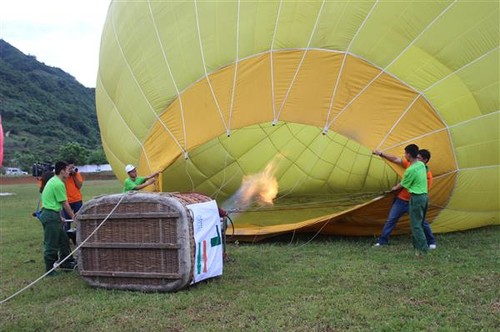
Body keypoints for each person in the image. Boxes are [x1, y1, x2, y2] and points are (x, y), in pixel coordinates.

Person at [373, 148, 436, 249]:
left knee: (421, 223)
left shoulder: (425, 173)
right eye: (416, 156)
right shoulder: (413, 164)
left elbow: (405, 185)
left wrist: (393, 189)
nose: (416, 159)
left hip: (415, 201)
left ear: (425, 160)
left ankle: (431, 242)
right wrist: (381, 154)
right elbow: (396, 160)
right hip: (401, 200)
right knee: (391, 220)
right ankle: (382, 241)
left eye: (419, 158)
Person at [384, 144, 429, 255]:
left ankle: (423, 249)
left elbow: (402, 185)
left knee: (416, 225)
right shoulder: (421, 165)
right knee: (420, 222)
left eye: (405, 153)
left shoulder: (410, 170)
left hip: (416, 197)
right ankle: (418, 247)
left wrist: (392, 189)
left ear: (408, 154)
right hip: (424, 197)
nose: (404, 155)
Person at [39, 161, 77, 275]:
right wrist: (73, 217)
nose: (69, 172)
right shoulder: (58, 184)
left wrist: (60, 216)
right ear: (62, 171)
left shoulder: (54, 180)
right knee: (52, 243)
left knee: (64, 240)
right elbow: (65, 203)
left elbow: (54, 201)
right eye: (67, 170)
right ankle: (49, 270)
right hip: (50, 216)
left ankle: (66, 263)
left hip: (52, 214)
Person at [62, 159, 84, 232]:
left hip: (77, 199)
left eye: (73, 167)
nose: (72, 169)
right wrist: (67, 174)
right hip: (66, 200)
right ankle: (66, 236)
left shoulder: (76, 174)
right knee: (66, 221)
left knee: (79, 219)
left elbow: (79, 185)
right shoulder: (63, 175)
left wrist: (74, 175)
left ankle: (79, 235)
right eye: (70, 168)